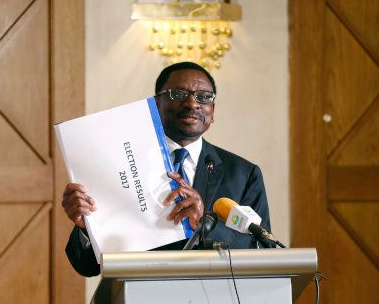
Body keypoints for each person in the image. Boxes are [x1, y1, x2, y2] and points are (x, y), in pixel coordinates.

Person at [62, 62, 272, 277]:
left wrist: (206, 224)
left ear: (213, 111)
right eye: (178, 94)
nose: (192, 104)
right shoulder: (119, 165)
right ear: (155, 104)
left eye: (203, 96)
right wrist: (86, 228)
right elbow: (87, 266)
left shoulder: (243, 173)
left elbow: (263, 252)